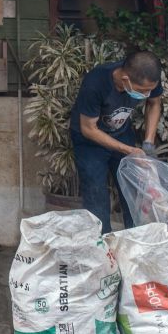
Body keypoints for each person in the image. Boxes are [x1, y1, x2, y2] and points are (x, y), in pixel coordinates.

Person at [70, 51, 163, 234]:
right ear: (126, 79)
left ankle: (134, 238)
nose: (147, 94)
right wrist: (128, 149)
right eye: (142, 90)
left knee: (132, 188)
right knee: (96, 193)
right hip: (89, 141)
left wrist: (148, 143)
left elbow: (154, 104)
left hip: (121, 133)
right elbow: (88, 128)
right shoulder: (96, 83)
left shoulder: (148, 77)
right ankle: (103, 245)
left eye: (150, 90)